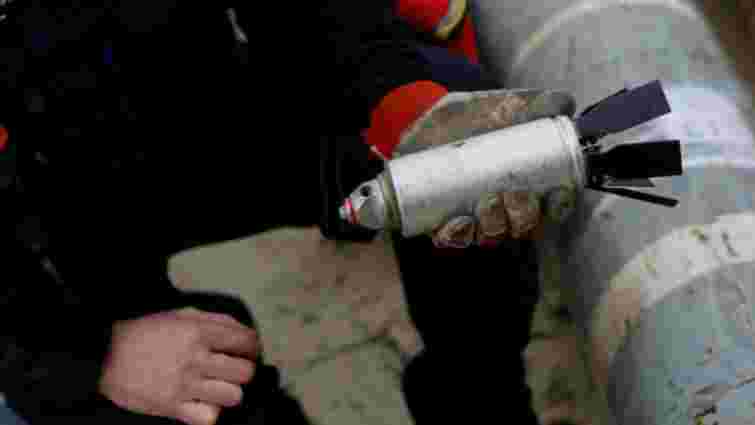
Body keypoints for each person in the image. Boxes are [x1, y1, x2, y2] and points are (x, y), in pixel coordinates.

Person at [0, 1, 571, 424]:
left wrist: (398, 102)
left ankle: (476, 395)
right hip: (36, 264)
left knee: (461, 163)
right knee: (210, 385)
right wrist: (85, 358)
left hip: (179, 116)